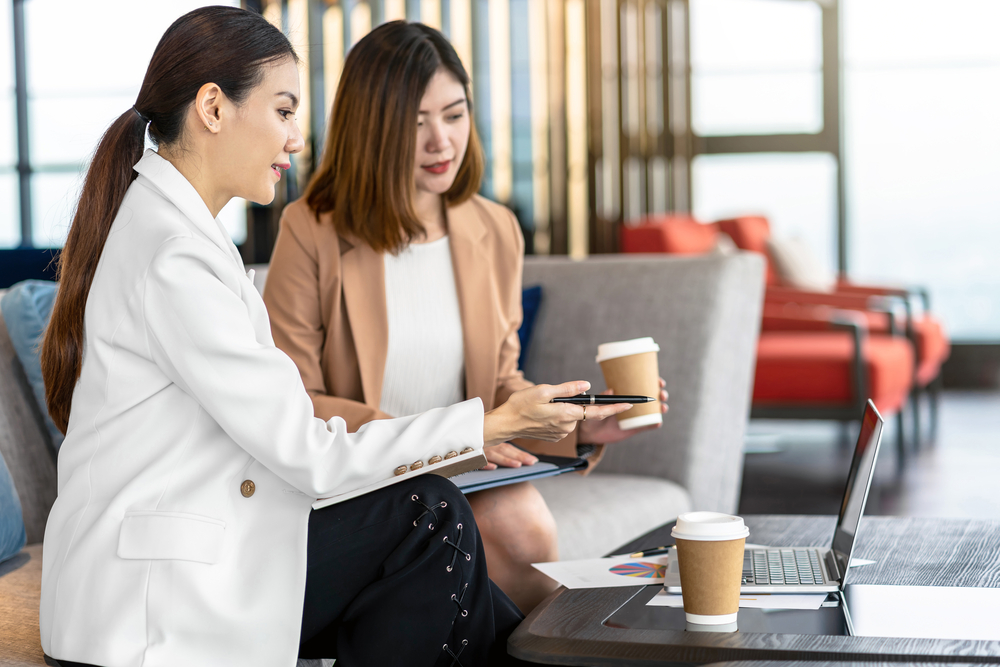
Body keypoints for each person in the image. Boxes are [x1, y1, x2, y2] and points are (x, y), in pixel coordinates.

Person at [37, 8, 630, 667]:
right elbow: (305, 449)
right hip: (149, 600)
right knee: (426, 516)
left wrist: (519, 422)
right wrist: (478, 428)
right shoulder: (176, 256)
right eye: (283, 111)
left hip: (188, 560)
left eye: (455, 115)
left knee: (438, 543)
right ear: (213, 108)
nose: (295, 139)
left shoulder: (175, 233)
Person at [264, 20, 669, 613]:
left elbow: (501, 386)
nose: (440, 142)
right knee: (513, 534)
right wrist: (446, 444)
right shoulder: (311, 230)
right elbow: (295, 400)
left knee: (523, 526)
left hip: (466, 465)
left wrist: (583, 427)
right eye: (415, 122)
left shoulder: (492, 228)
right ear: (371, 129)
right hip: (369, 477)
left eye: (454, 115)